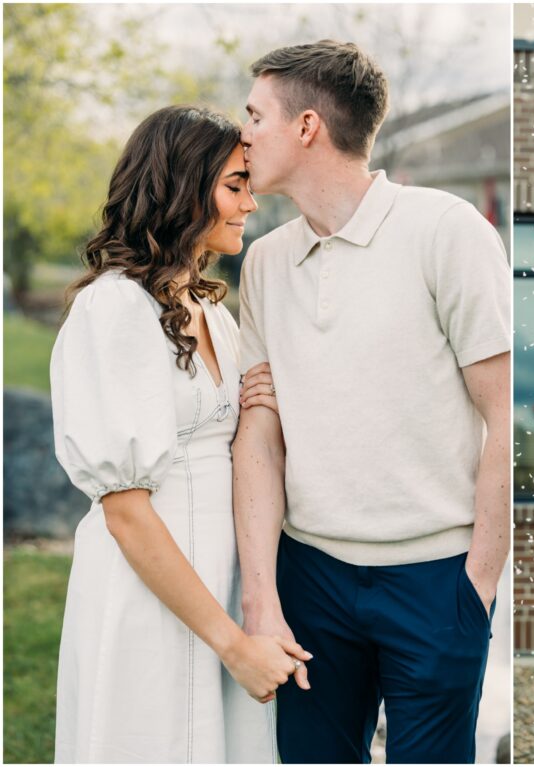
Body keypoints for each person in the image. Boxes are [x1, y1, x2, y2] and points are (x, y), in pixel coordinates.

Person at [231, 41, 511, 763]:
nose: (243, 133)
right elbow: (260, 436)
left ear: (306, 128)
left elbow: (507, 411)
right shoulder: (263, 262)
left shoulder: (445, 232)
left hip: (436, 581)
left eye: (255, 115)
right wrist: (262, 593)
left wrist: (476, 585)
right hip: (311, 578)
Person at [50, 105, 313, 764]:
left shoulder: (210, 310)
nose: (251, 202)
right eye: (234, 185)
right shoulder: (114, 309)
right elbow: (126, 513)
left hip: (221, 587)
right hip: (149, 598)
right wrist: (230, 643)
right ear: (181, 188)